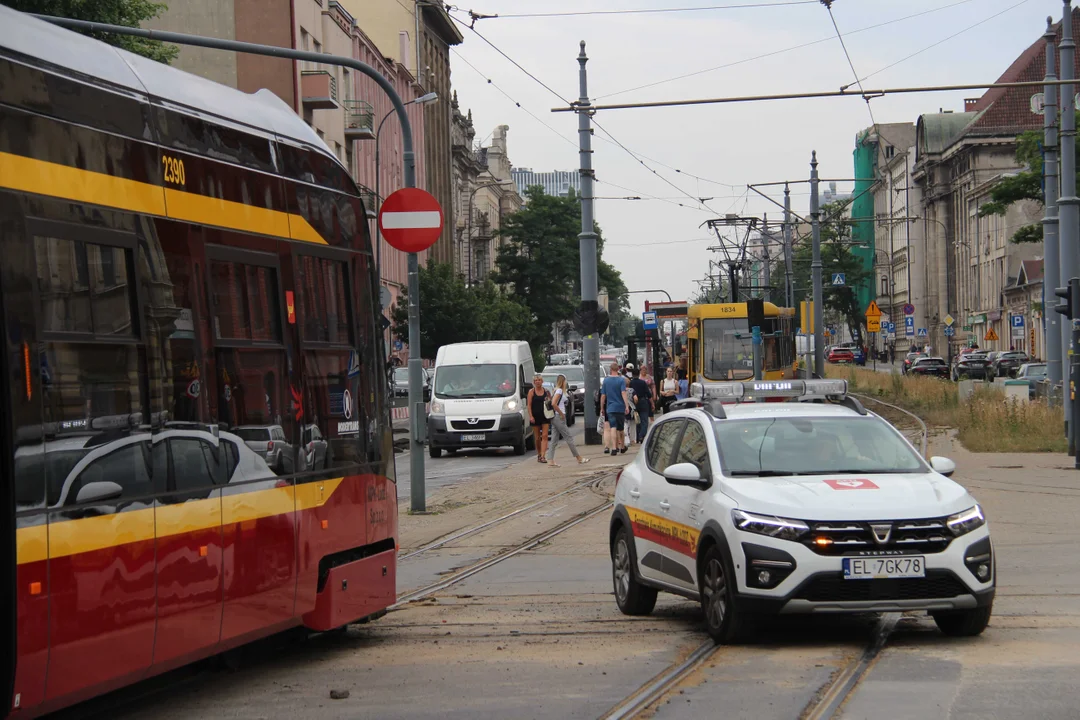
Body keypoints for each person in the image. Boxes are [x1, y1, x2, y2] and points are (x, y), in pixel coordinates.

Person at [546, 374, 589, 467]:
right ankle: (579, 458)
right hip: (559, 417)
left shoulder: (556, 390)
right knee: (568, 437)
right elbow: (553, 403)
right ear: (563, 381)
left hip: (554, 417)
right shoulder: (560, 391)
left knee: (554, 439)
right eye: (565, 381)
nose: (566, 382)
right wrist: (561, 414)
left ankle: (550, 460)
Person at [600, 362, 629, 455]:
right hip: (620, 407)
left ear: (610, 369)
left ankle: (613, 448)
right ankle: (622, 446)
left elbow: (603, 395)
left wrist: (602, 407)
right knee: (620, 429)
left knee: (613, 427)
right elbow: (623, 393)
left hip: (610, 407)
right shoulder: (621, 380)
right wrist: (627, 405)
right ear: (618, 370)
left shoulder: (606, 381)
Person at [527, 374, 552, 463]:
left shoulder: (546, 391)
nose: (537, 382)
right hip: (535, 416)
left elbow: (550, 403)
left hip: (545, 416)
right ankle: (539, 453)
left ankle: (543, 456)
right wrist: (531, 416)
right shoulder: (531, 392)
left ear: (542, 381)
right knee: (537, 437)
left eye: (539, 380)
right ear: (534, 382)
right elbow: (529, 405)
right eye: (536, 380)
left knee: (545, 436)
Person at [630, 367, 653, 443]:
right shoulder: (643, 383)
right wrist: (652, 403)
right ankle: (641, 435)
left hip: (634, 403)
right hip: (643, 402)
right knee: (644, 421)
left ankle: (637, 438)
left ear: (632, 374)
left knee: (637, 421)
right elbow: (649, 394)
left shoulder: (630, 383)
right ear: (638, 374)